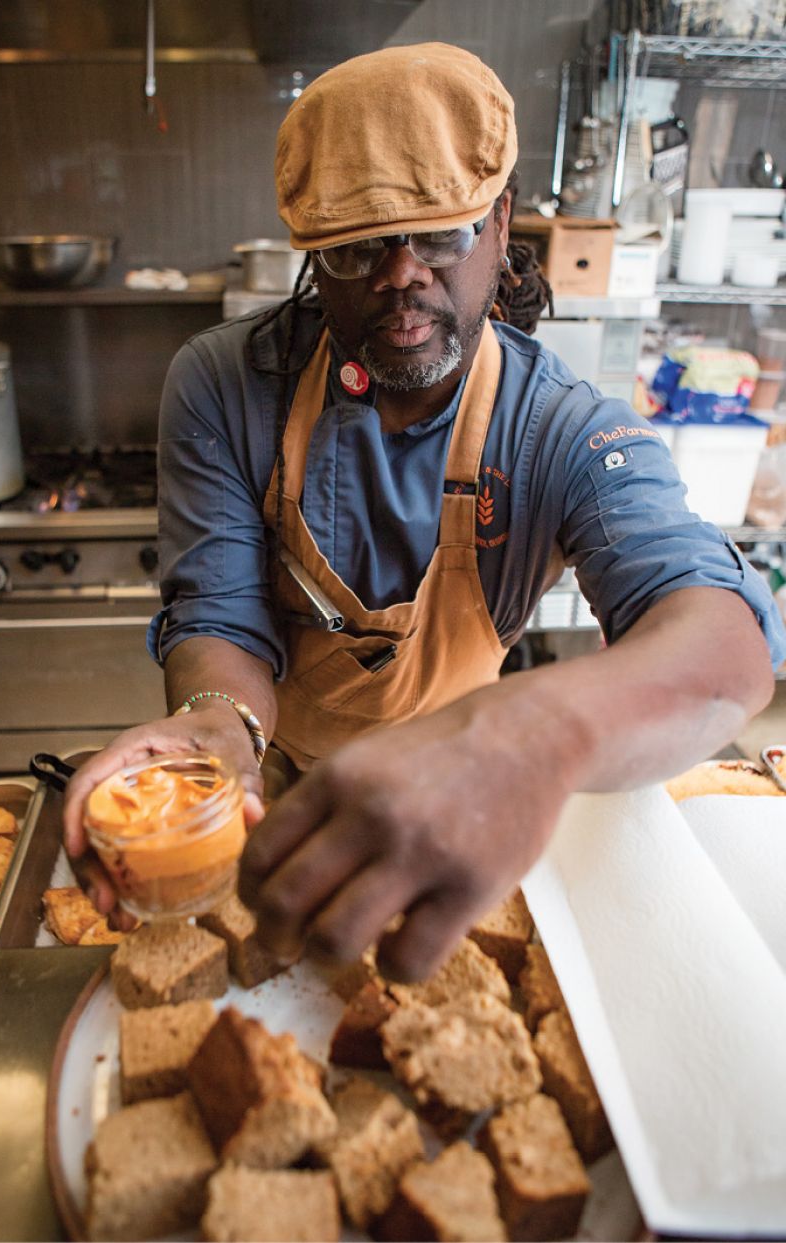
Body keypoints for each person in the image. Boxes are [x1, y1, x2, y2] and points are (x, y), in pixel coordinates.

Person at [63, 42, 785, 980]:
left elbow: (725, 650)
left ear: (502, 226)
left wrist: (526, 736)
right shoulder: (224, 386)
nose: (401, 274)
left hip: (478, 803)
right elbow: (218, 613)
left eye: (441, 234)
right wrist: (215, 723)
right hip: (274, 788)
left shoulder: (557, 429)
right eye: (360, 245)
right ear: (313, 255)